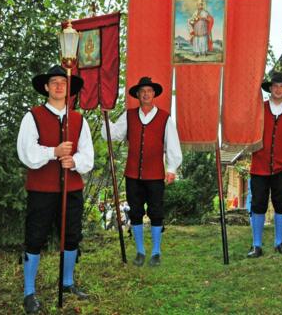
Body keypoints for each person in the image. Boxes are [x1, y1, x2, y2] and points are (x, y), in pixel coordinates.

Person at [17, 65, 94, 314]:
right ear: (46, 87)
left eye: (63, 82)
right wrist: (54, 152)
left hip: (71, 189)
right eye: (54, 82)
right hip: (42, 190)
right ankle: (29, 292)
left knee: (71, 236)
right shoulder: (33, 116)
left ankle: (68, 282)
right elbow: (27, 153)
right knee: (35, 238)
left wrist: (74, 161)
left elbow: (88, 156)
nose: (59, 86)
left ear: (69, 88)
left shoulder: (79, 120)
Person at [102, 76, 182, 267]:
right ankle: (140, 251)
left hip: (155, 175)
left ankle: (156, 252)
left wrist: (171, 168)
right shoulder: (128, 116)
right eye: (142, 91)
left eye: (149, 91)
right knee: (136, 212)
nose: (146, 94)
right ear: (137, 95)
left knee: (156, 212)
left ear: (154, 94)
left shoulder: (164, 118)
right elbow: (113, 134)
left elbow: (173, 144)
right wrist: (104, 116)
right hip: (133, 175)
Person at [247, 72, 282, 258]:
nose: (278, 89)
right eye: (275, 86)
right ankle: (256, 245)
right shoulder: (259, 109)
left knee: (281, 203)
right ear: (270, 88)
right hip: (260, 165)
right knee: (258, 204)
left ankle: (279, 242)